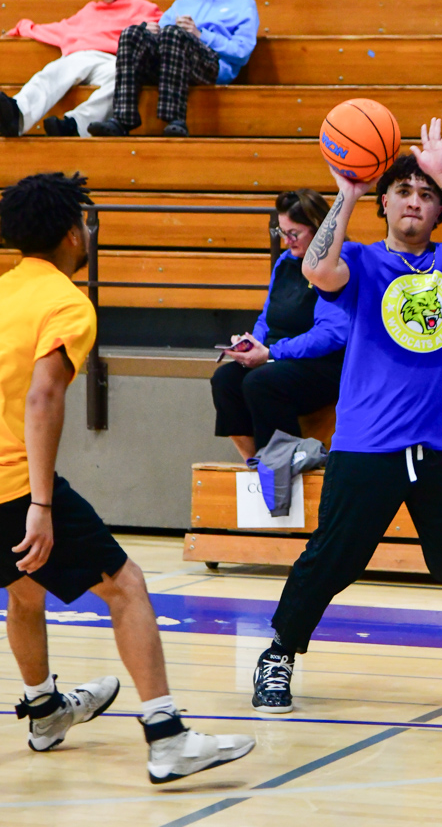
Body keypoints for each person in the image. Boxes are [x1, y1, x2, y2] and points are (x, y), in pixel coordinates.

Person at [250, 118, 442, 714]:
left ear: (438, 210)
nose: (414, 201)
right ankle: (279, 653)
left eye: (425, 195)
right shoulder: (362, 263)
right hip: (368, 441)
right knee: (334, 557)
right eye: (403, 191)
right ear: (386, 203)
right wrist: (347, 192)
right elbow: (316, 269)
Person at [0, 172, 254, 782]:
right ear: (72, 233)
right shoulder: (67, 303)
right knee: (127, 586)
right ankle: (168, 737)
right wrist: (41, 504)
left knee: (25, 588)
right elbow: (43, 397)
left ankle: (44, 712)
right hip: (14, 484)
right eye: (84, 223)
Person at [211, 189, 349, 460]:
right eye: (281, 232)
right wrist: (253, 343)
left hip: (323, 365)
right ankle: (255, 462)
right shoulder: (285, 262)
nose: (286, 241)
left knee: (261, 382)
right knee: (225, 380)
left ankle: (284, 462)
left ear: (318, 229)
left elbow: (330, 335)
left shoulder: (337, 267)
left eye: (293, 234)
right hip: (278, 358)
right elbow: (268, 316)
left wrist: (272, 353)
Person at [88, 0, 259, 138]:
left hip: (211, 66)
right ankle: (122, 119)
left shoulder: (244, 4)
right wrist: (149, 31)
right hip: (171, 60)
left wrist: (200, 35)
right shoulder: (182, 4)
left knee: (173, 33)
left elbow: (241, 52)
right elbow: (159, 35)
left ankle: (175, 118)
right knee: (132, 33)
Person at [0, 0, 162, 138]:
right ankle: (18, 114)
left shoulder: (141, 7)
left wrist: (151, 29)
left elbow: (163, 24)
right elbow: (61, 28)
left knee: (122, 80)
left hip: (115, 59)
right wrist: (20, 28)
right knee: (53, 72)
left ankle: (75, 125)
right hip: (81, 55)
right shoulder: (89, 10)